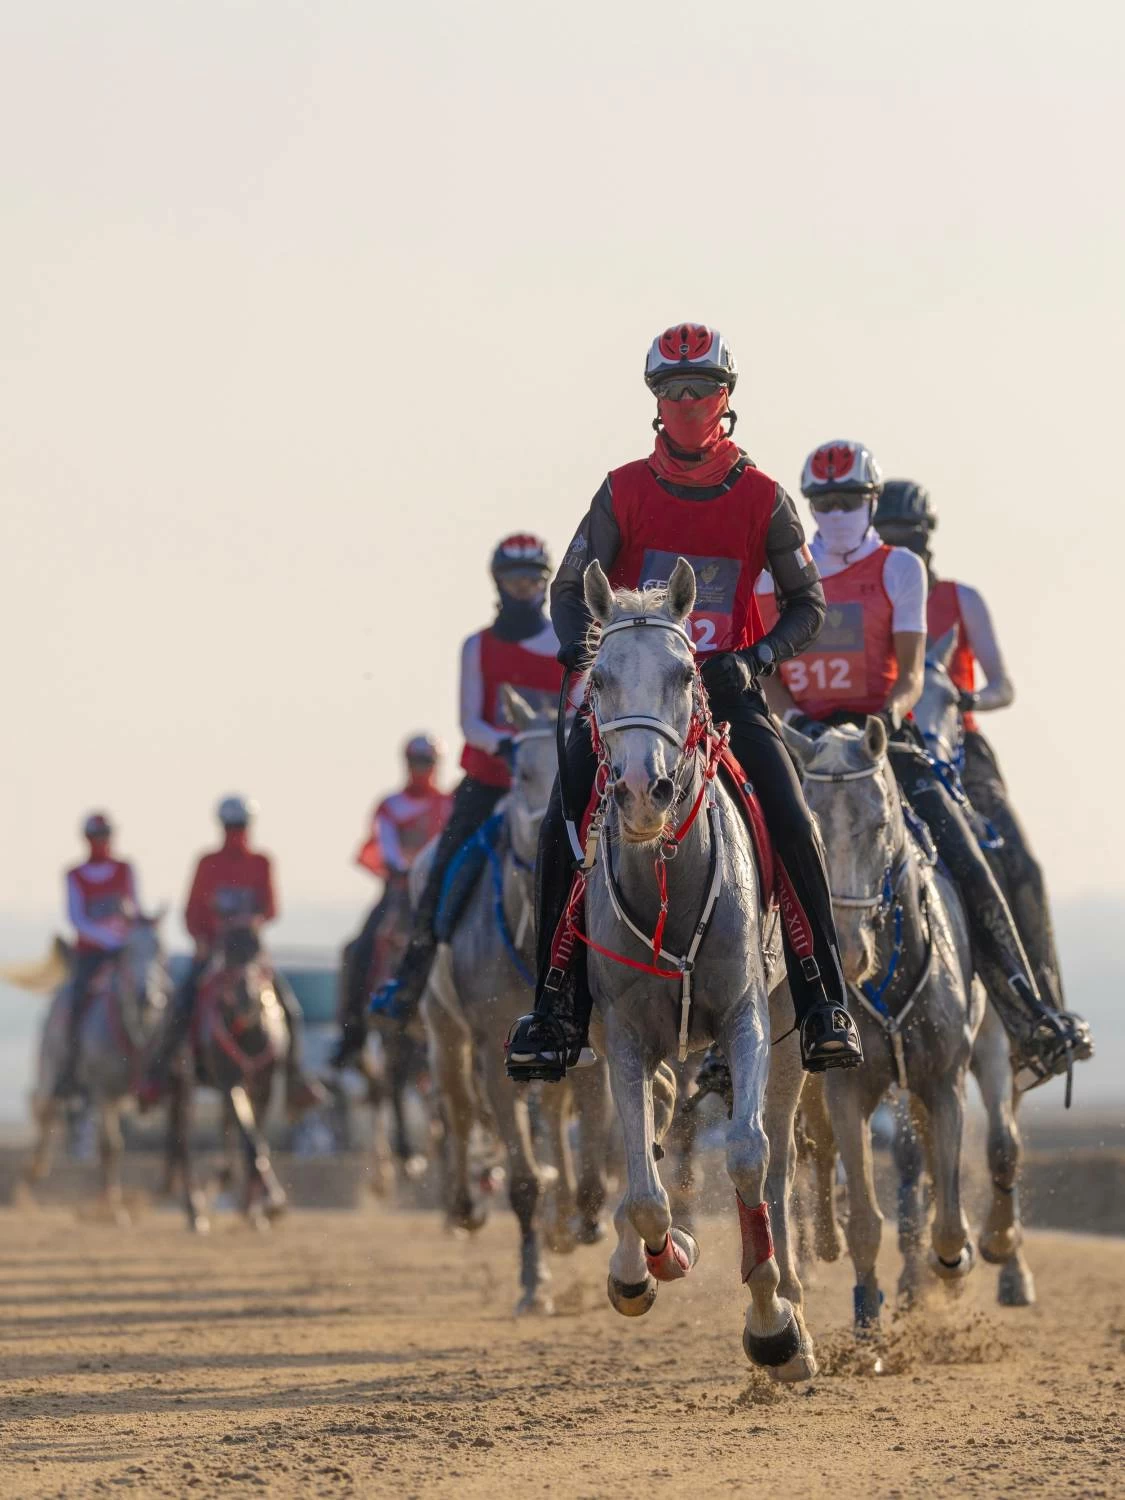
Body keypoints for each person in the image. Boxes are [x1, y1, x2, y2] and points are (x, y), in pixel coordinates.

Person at [505, 323, 863, 1083]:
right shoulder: (622, 490)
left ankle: (822, 998)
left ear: (725, 398)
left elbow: (807, 602)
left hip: (726, 698)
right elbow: (569, 591)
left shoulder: (764, 497)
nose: (687, 404)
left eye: (700, 391)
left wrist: (757, 656)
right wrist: (591, 656)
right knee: (557, 822)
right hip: (632, 705)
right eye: (672, 393)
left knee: (793, 820)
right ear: (655, 404)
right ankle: (554, 1006)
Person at [757, 444, 1090, 1089]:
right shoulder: (777, 575)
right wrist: (793, 722)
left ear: (871, 501)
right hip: (807, 744)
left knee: (968, 853)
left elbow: (911, 671)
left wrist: (887, 717)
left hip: (887, 741)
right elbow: (769, 672)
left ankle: (1026, 1011)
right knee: (744, 851)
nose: (838, 513)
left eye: (849, 500)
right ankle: (724, 1044)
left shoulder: (900, 569)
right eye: (824, 503)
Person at [875, 479, 1068, 1011]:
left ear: (927, 537)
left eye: (909, 535)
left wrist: (965, 698)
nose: (901, 546)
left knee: (1022, 864)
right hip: (881, 742)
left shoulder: (959, 600)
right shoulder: (864, 594)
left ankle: (1041, 1001)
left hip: (959, 746)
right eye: (889, 536)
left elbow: (1004, 685)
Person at [371, 536, 566, 1021]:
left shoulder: (569, 645)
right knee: (441, 870)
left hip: (550, 786)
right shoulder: (477, 646)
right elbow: (470, 722)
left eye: (533, 579)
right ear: (498, 583)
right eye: (514, 579)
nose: (523, 588)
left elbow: (579, 707)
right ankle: (410, 979)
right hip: (489, 781)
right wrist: (505, 742)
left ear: (544, 584)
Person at [139, 796, 324, 1112]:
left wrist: (251, 922)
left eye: (240, 825)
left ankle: (296, 1079)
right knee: (180, 1005)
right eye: (231, 826)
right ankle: (157, 1077)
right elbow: (192, 911)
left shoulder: (261, 862)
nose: (235, 832)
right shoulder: (207, 863)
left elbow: (271, 908)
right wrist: (203, 939)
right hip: (214, 953)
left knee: (289, 1009)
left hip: (251, 955)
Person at [335, 734, 453, 1065]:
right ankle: (352, 1033)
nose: (422, 769)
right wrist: (407, 867)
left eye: (427, 763)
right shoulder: (390, 805)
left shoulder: (449, 804)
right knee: (359, 949)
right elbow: (386, 846)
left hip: (437, 890)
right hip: (398, 892)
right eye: (417, 762)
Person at [56, 812, 139, 1099]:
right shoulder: (74, 875)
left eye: (105, 837)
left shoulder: (125, 870)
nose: (101, 843)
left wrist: (126, 937)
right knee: (76, 1004)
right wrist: (107, 938)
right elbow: (76, 917)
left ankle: (158, 1069)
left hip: (124, 954)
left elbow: (134, 907)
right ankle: (70, 1070)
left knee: (152, 995)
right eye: (96, 837)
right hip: (90, 956)